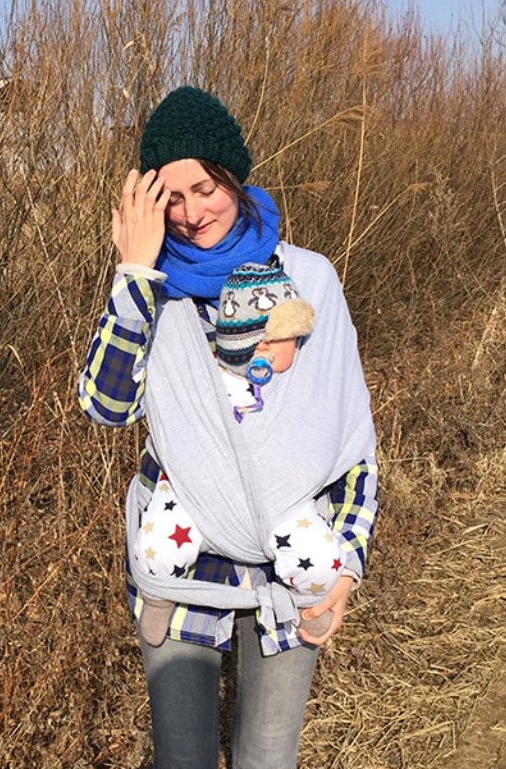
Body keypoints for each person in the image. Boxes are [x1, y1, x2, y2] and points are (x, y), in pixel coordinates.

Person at [77, 86, 378, 769]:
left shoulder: (309, 279)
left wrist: (349, 561)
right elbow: (105, 405)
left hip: (288, 574)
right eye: (170, 199)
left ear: (235, 180)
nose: (190, 215)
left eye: (204, 188)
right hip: (184, 570)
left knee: (267, 760)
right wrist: (133, 272)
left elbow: (352, 439)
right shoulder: (153, 293)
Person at [133, 264, 346, 647]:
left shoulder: (297, 384)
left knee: (319, 557)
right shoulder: (204, 377)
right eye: (287, 339)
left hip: (278, 497)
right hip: (195, 489)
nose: (295, 347)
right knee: (158, 544)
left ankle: (309, 602)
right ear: (257, 344)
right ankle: (157, 596)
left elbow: (319, 430)